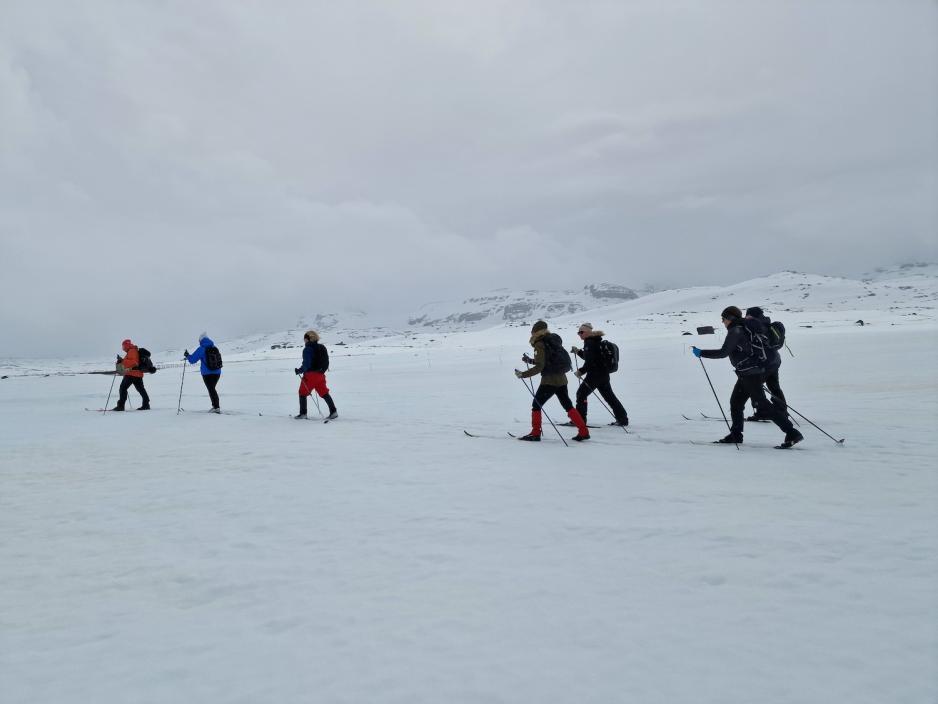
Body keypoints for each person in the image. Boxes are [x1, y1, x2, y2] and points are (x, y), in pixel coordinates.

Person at [692, 306, 803, 448]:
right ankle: (736, 435)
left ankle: (791, 432)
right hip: (750, 372)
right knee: (736, 403)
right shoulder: (746, 328)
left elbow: (723, 353)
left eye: (723, 319)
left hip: (750, 373)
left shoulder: (736, 330)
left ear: (730, 318)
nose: (722, 322)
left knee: (761, 403)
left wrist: (701, 352)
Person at [515, 320, 590, 441]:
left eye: (532, 331)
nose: (531, 333)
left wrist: (523, 374)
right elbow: (547, 361)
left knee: (536, 405)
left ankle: (535, 433)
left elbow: (540, 366)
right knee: (568, 405)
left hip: (549, 381)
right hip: (562, 379)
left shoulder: (540, 344)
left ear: (536, 332)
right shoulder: (552, 340)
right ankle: (583, 431)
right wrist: (530, 360)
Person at [570, 322, 628, 427]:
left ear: (587, 332)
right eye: (578, 332)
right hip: (603, 374)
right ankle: (623, 419)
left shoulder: (589, 343)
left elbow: (590, 362)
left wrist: (581, 371)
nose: (579, 334)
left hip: (594, 375)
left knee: (581, 394)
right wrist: (578, 351)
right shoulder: (596, 341)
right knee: (610, 397)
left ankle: (580, 420)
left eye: (581, 332)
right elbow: (590, 357)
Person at [743, 307, 787, 422]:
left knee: (755, 386)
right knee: (774, 387)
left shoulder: (754, 325)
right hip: (775, 360)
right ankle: (782, 411)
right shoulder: (767, 323)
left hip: (764, 363)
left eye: (747, 315)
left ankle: (763, 412)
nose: (746, 317)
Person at [294, 330, 337, 420]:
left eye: (305, 338)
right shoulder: (322, 347)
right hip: (321, 375)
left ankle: (303, 414)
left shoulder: (307, 349)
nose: (304, 340)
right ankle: (333, 412)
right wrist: (321, 371)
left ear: (308, 339)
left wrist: (299, 370)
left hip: (310, 375)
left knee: (302, 392)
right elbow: (326, 361)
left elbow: (307, 364)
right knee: (324, 392)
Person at [184, 334, 222, 413]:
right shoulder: (215, 348)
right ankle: (215, 407)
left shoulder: (201, 349)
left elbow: (192, 360)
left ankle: (216, 407)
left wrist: (187, 355)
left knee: (211, 390)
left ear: (201, 341)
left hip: (207, 374)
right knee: (212, 389)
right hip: (217, 372)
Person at [112, 338, 150, 411]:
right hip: (137, 374)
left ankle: (121, 406)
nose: (123, 348)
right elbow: (129, 363)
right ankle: (146, 404)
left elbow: (134, 362)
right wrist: (121, 361)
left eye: (123, 346)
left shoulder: (132, 351)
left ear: (126, 345)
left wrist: (122, 360)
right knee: (141, 389)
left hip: (132, 374)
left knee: (123, 388)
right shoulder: (132, 351)